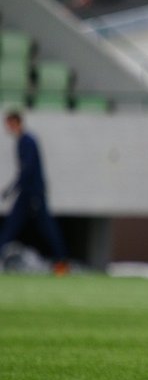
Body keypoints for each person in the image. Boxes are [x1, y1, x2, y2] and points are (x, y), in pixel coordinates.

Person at [0, 111, 68, 275]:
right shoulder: (22, 141)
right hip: (26, 192)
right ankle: (61, 261)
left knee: (47, 228)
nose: (7, 127)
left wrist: (12, 189)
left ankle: (62, 262)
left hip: (33, 193)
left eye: (8, 123)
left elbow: (28, 169)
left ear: (16, 123)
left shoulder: (28, 141)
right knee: (11, 226)